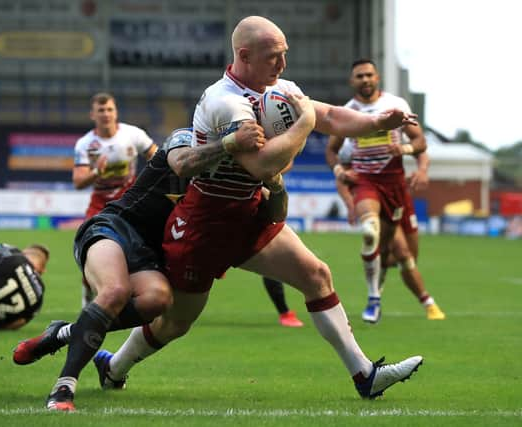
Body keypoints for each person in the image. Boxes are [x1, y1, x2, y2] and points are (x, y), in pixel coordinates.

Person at [93, 16, 423, 404]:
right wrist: (305, 125)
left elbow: (330, 116)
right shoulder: (225, 100)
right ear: (244, 56)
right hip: (205, 223)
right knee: (176, 323)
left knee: (316, 274)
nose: (282, 65)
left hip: (249, 212)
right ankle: (113, 366)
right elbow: (263, 165)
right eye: (274, 57)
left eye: (285, 55)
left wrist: (377, 121)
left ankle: (365, 375)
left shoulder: (277, 88)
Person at [12, 124, 268, 411]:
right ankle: (63, 388)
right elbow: (182, 164)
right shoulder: (185, 140)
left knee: (157, 300)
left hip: (148, 253)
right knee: (115, 291)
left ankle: (62, 334)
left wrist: (276, 186)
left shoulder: (237, 178)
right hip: (115, 226)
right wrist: (229, 144)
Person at [326, 58, 445, 323]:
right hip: (366, 182)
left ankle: (390, 287)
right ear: (352, 81)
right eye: (359, 76)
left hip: (395, 185)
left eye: (369, 75)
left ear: (377, 78)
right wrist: (342, 178)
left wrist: (405, 151)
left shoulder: (395, 106)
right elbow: (332, 152)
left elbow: (420, 142)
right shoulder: (347, 112)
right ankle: (376, 298)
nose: (365, 80)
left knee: (403, 256)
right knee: (372, 233)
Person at [73, 92, 158, 307]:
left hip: (130, 201)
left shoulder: (133, 134)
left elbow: (158, 159)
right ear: (93, 114)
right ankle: (88, 293)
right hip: (100, 204)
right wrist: (95, 172)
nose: (106, 114)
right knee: (91, 251)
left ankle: (142, 294)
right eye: (101, 110)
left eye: (109, 109)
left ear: (116, 112)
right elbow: (78, 181)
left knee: (143, 247)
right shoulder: (86, 144)